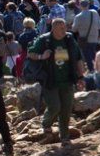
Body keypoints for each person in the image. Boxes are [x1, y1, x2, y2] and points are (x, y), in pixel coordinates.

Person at [27, 18, 85, 146]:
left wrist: (81, 77)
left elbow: (78, 58)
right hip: (50, 80)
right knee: (54, 107)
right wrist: (42, 56)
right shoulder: (44, 40)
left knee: (66, 109)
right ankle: (46, 123)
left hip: (68, 80)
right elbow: (30, 53)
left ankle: (64, 136)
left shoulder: (69, 39)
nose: (65, 30)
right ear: (53, 28)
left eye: (65, 27)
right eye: (61, 28)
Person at [72, 0, 100, 72]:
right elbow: (98, 24)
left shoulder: (78, 17)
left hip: (84, 40)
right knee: (94, 55)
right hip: (94, 38)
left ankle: (92, 71)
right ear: (88, 5)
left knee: (88, 57)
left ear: (80, 5)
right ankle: (98, 69)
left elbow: (74, 29)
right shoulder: (94, 12)